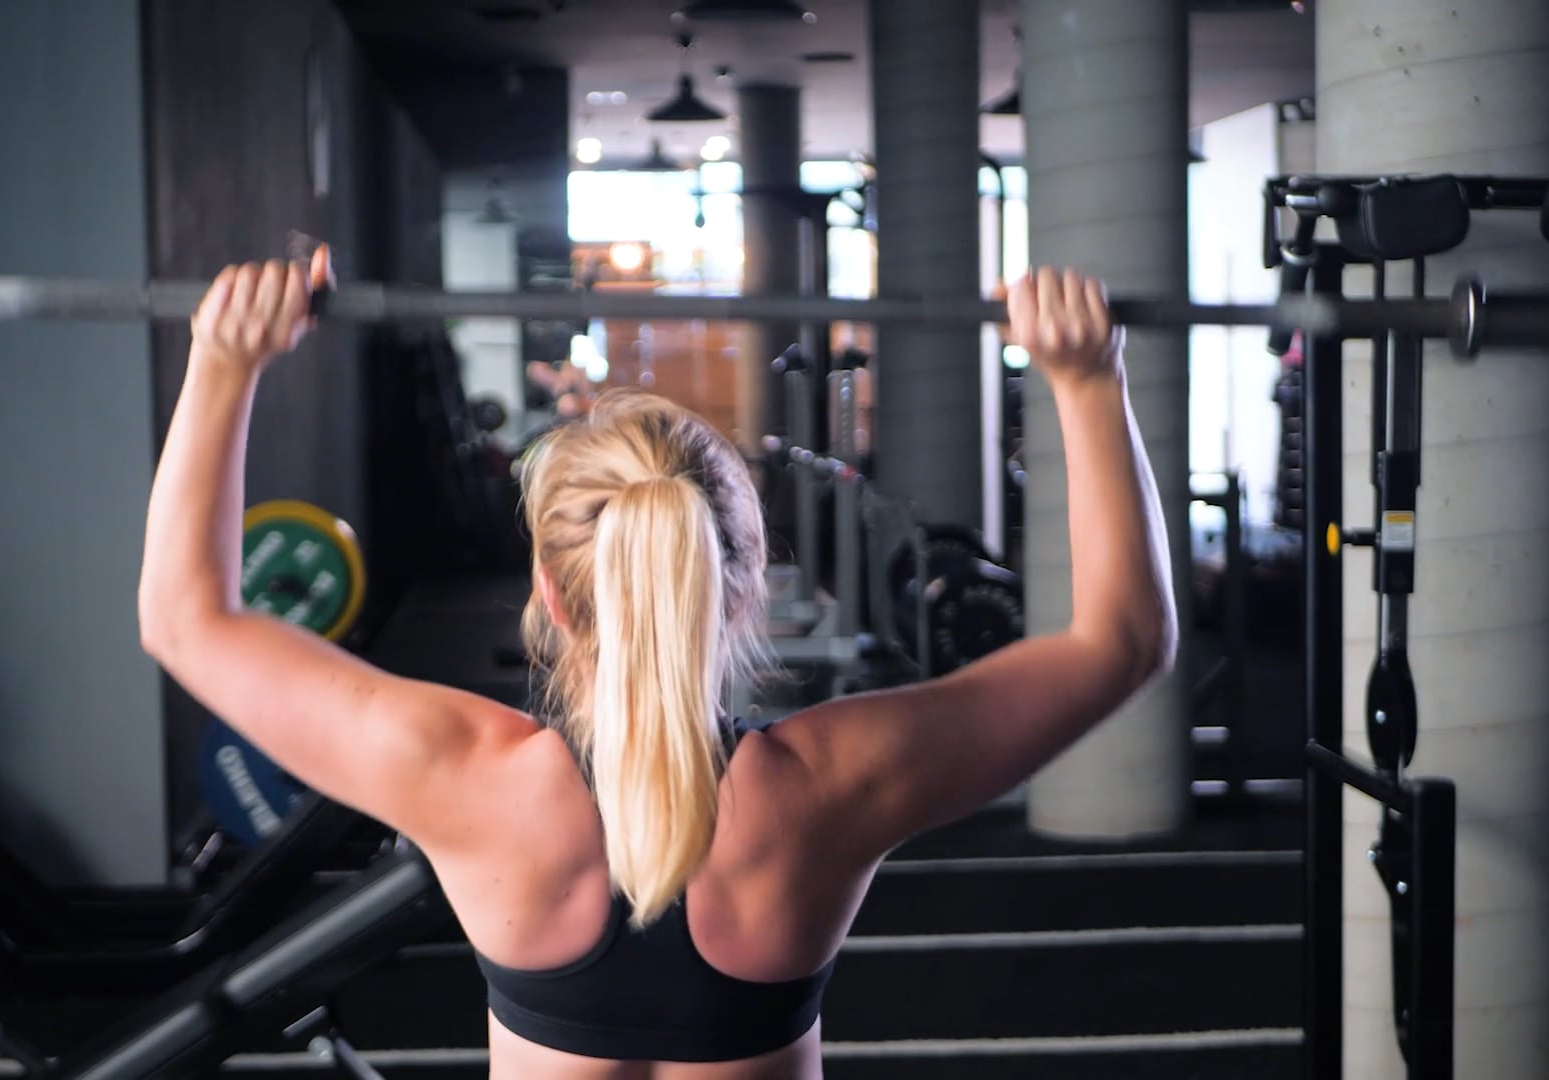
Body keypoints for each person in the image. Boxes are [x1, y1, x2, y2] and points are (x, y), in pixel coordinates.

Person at [138, 249, 1176, 1079]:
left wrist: (225, 363)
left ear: (546, 589)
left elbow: (184, 620)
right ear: (747, 582)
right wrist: (1087, 381)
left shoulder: (459, 774)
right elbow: (1125, 640)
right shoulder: (834, 784)